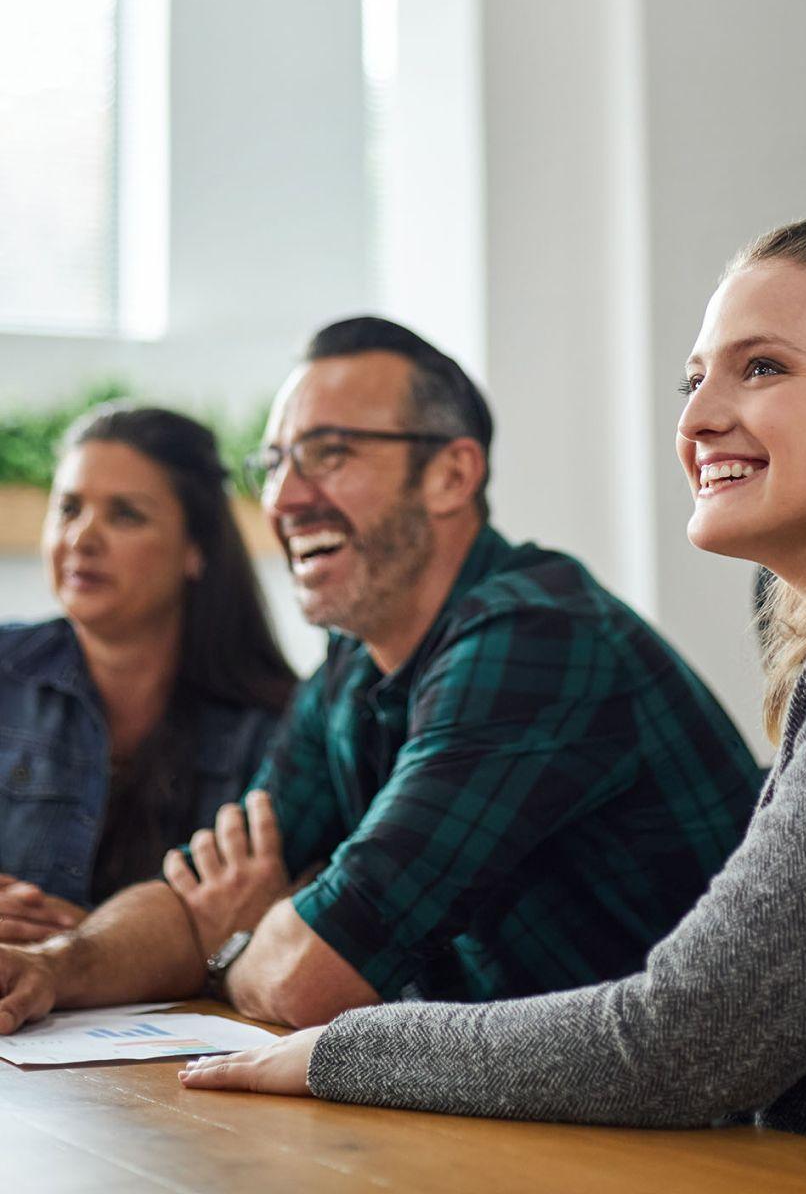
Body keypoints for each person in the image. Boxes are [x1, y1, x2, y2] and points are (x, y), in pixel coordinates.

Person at [178, 216, 806, 1189]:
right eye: (694, 381)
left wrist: (337, 1051)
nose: (695, 421)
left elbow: (689, 1037)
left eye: (760, 368)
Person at [0, 317, 761, 1030]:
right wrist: (54, 969)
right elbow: (198, 894)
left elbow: (307, 975)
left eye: (329, 454)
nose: (286, 499)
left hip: (711, 1134)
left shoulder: (534, 635)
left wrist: (223, 949)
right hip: (526, 1107)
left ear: (451, 475)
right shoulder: (350, 662)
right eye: (275, 463)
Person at [0, 405, 295, 943]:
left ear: (194, 550)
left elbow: (258, 933)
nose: (82, 538)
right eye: (68, 508)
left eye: (125, 515)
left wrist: (104, 948)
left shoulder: (275, 724)